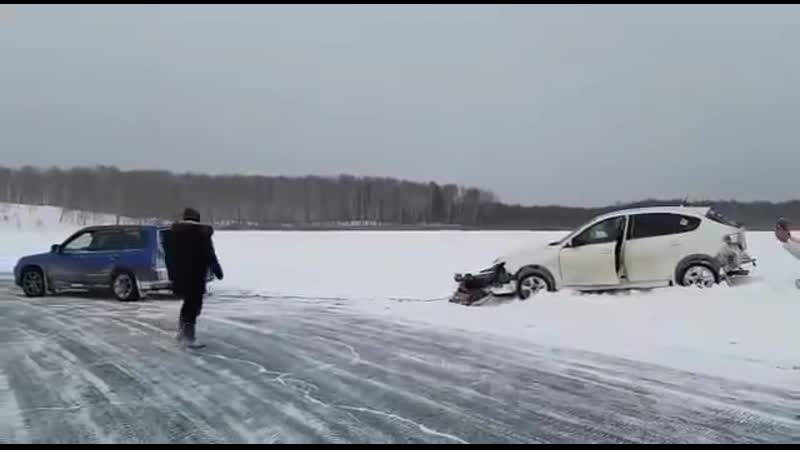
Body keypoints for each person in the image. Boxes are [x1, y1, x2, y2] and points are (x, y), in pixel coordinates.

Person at [162, 207, 224, 348]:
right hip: (196, 275)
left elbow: (168, 258)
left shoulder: (173, 235)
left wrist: (172, 274)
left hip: (179, 276)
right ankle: (188, 337)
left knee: (188, 303)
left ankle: (182, 332)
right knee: (194, 305)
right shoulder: (201, 235)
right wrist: (217, 270)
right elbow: (209, 255)